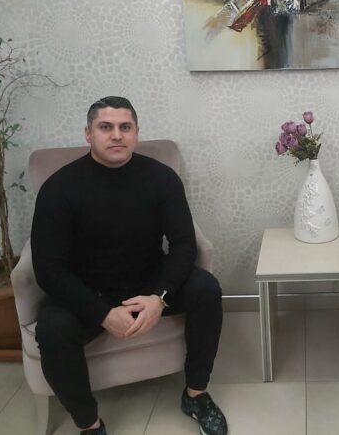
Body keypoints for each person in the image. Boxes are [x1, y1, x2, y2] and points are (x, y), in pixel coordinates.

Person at [31, 96, 227, 435]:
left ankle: (196, 394)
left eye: (125, 127)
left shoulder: (162, 178)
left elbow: (183, 245)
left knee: (206, 288)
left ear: (136, 133)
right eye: (105, 127)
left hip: (147, 282)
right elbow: (48, 268)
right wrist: (102, 312)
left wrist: (159, 297)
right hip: (87, 291)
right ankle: (90, 424)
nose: (116, 135)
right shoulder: (59, 188)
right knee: (52, 328)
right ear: (88, 133)